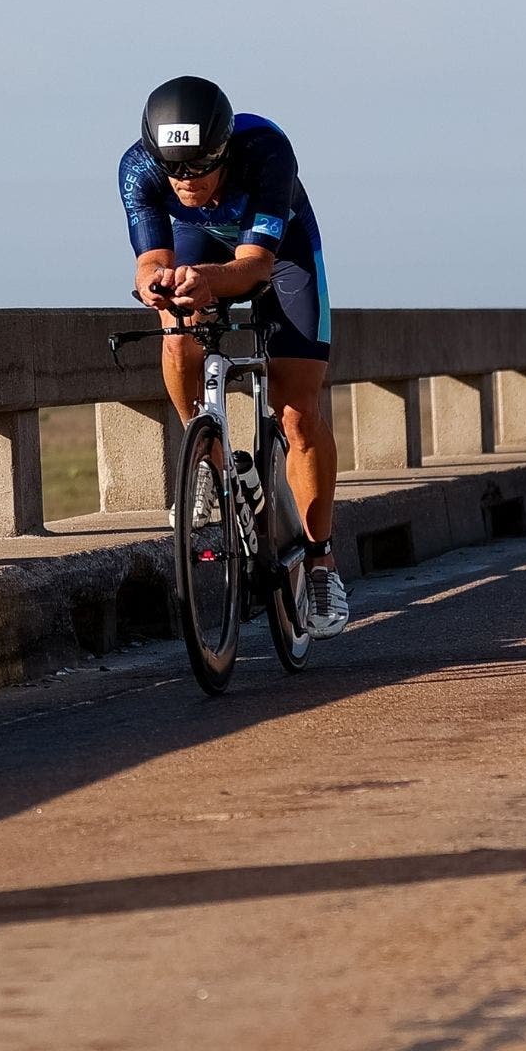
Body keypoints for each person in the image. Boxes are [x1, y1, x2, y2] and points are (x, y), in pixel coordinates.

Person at [121, 75, 349, 639]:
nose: (185, 180)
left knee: (297, 413)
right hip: (203, 244)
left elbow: (253, 268)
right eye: (175, 169)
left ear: (223, 150)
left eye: (199, 167)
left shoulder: (267, 150)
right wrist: (157, 284)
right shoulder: (139, 169)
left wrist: (207, 280)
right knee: (176, 331)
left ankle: (320, 560)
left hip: (279, 251)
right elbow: (149, 258)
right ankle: (207, 455)